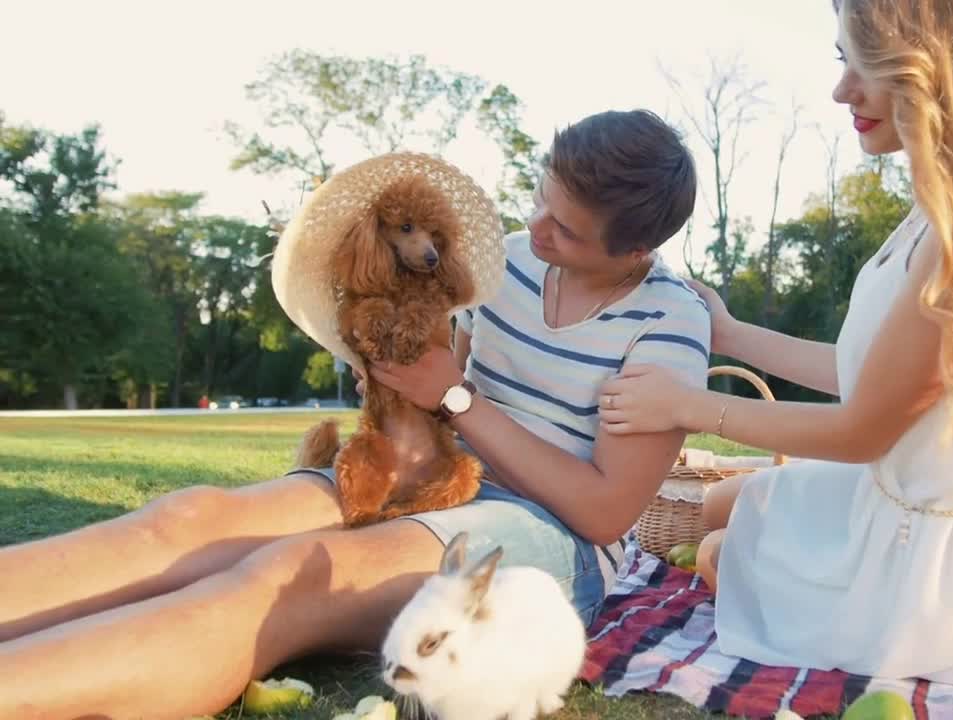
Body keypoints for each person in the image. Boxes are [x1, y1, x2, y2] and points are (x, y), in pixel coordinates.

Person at [0, 109, 711, 717]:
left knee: (290, 573)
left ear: (636, 251)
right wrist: (398, 371)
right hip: (433, 466)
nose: (536, 228)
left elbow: (604, 513)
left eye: (566, 229)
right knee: (189, 521)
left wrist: (454, 399)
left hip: (549, 536)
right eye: (540, 199)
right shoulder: (509, 261)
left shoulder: (669, 321)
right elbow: (443, 366)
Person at [598, 0, 953, 687]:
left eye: (861, 63)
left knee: (720, 546)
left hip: (937, 585)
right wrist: (732, 335)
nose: (841, 88)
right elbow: (876, 377)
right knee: (722, 505)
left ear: (930, 70)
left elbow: (860, 432)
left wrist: (687, 406)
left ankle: (787, 581)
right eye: (843, 59)